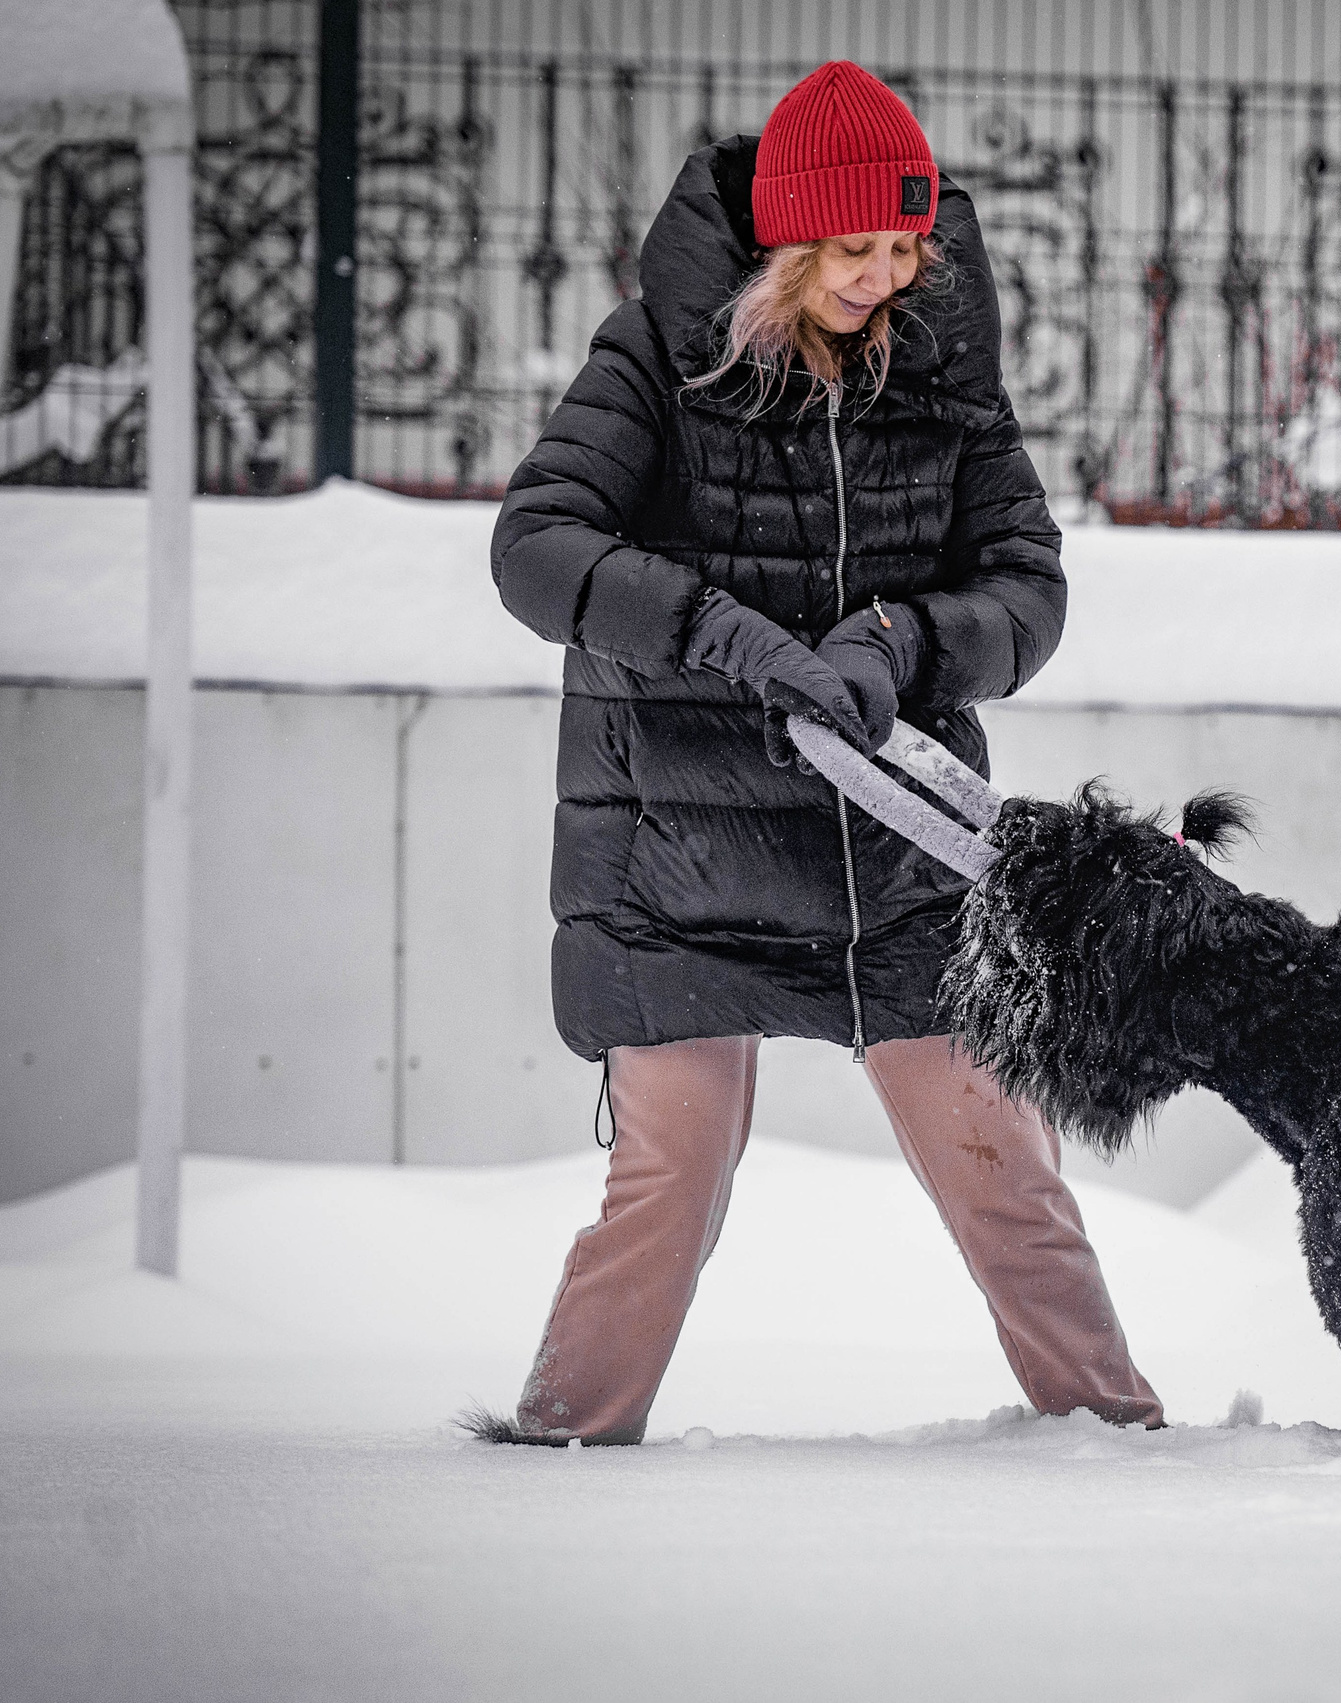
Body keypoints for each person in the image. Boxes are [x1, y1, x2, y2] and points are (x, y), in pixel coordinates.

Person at [471, 61, 1162, 1445]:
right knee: (669, 1180)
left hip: (892, 856)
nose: (886, 272)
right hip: (681, 847)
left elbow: (1028, 585)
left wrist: (904, 639)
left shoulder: (943, 369)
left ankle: (1115, 1442)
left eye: (905, 243)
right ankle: (558, 1451)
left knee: (1001, 1168)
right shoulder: (657, 358)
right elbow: (536, 550)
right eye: (854, 247)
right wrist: (718, 630)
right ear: (787, 239)